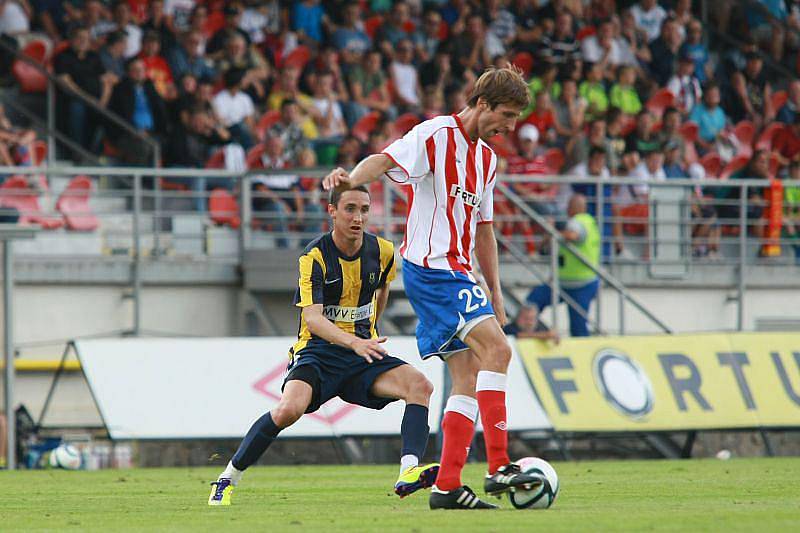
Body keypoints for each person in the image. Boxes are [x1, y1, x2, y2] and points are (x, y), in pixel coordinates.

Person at [323, 66, 543, 510]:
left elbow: (484, 229)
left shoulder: (488, 160)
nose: (510, 126)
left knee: (465, 377)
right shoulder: (435, 134)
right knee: (498, 353)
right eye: (506, 114)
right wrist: (350, 180)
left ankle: (446, 487)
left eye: (516, 117)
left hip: (458, 271)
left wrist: (496, 293)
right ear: (482, 103)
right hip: (433, 268)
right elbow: (384, 160)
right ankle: (499, 466)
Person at [208, 185, 438, 506]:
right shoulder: (314, 256)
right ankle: (227, 478)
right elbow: (313, 319)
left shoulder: (383, 251)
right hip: (318, 353)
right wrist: (354, 342)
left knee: (420, 386)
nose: (358, 217)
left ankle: (409, 471)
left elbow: (382, 290)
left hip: (361, 353)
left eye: (364, 209)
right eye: (350, 209)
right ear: (332, 212)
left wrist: (368, 333)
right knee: (288, 410)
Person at [527, 194, 600, 337]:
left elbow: (574, 235)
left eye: (569, 206)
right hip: (563, 282)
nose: (566, 209)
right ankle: (537, 333)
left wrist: (553, 231)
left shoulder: (579, 221)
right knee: (532, 302)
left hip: (580, 284)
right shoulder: (590, 222)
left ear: (574, 207)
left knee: (578, 326)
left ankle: (581, 352)